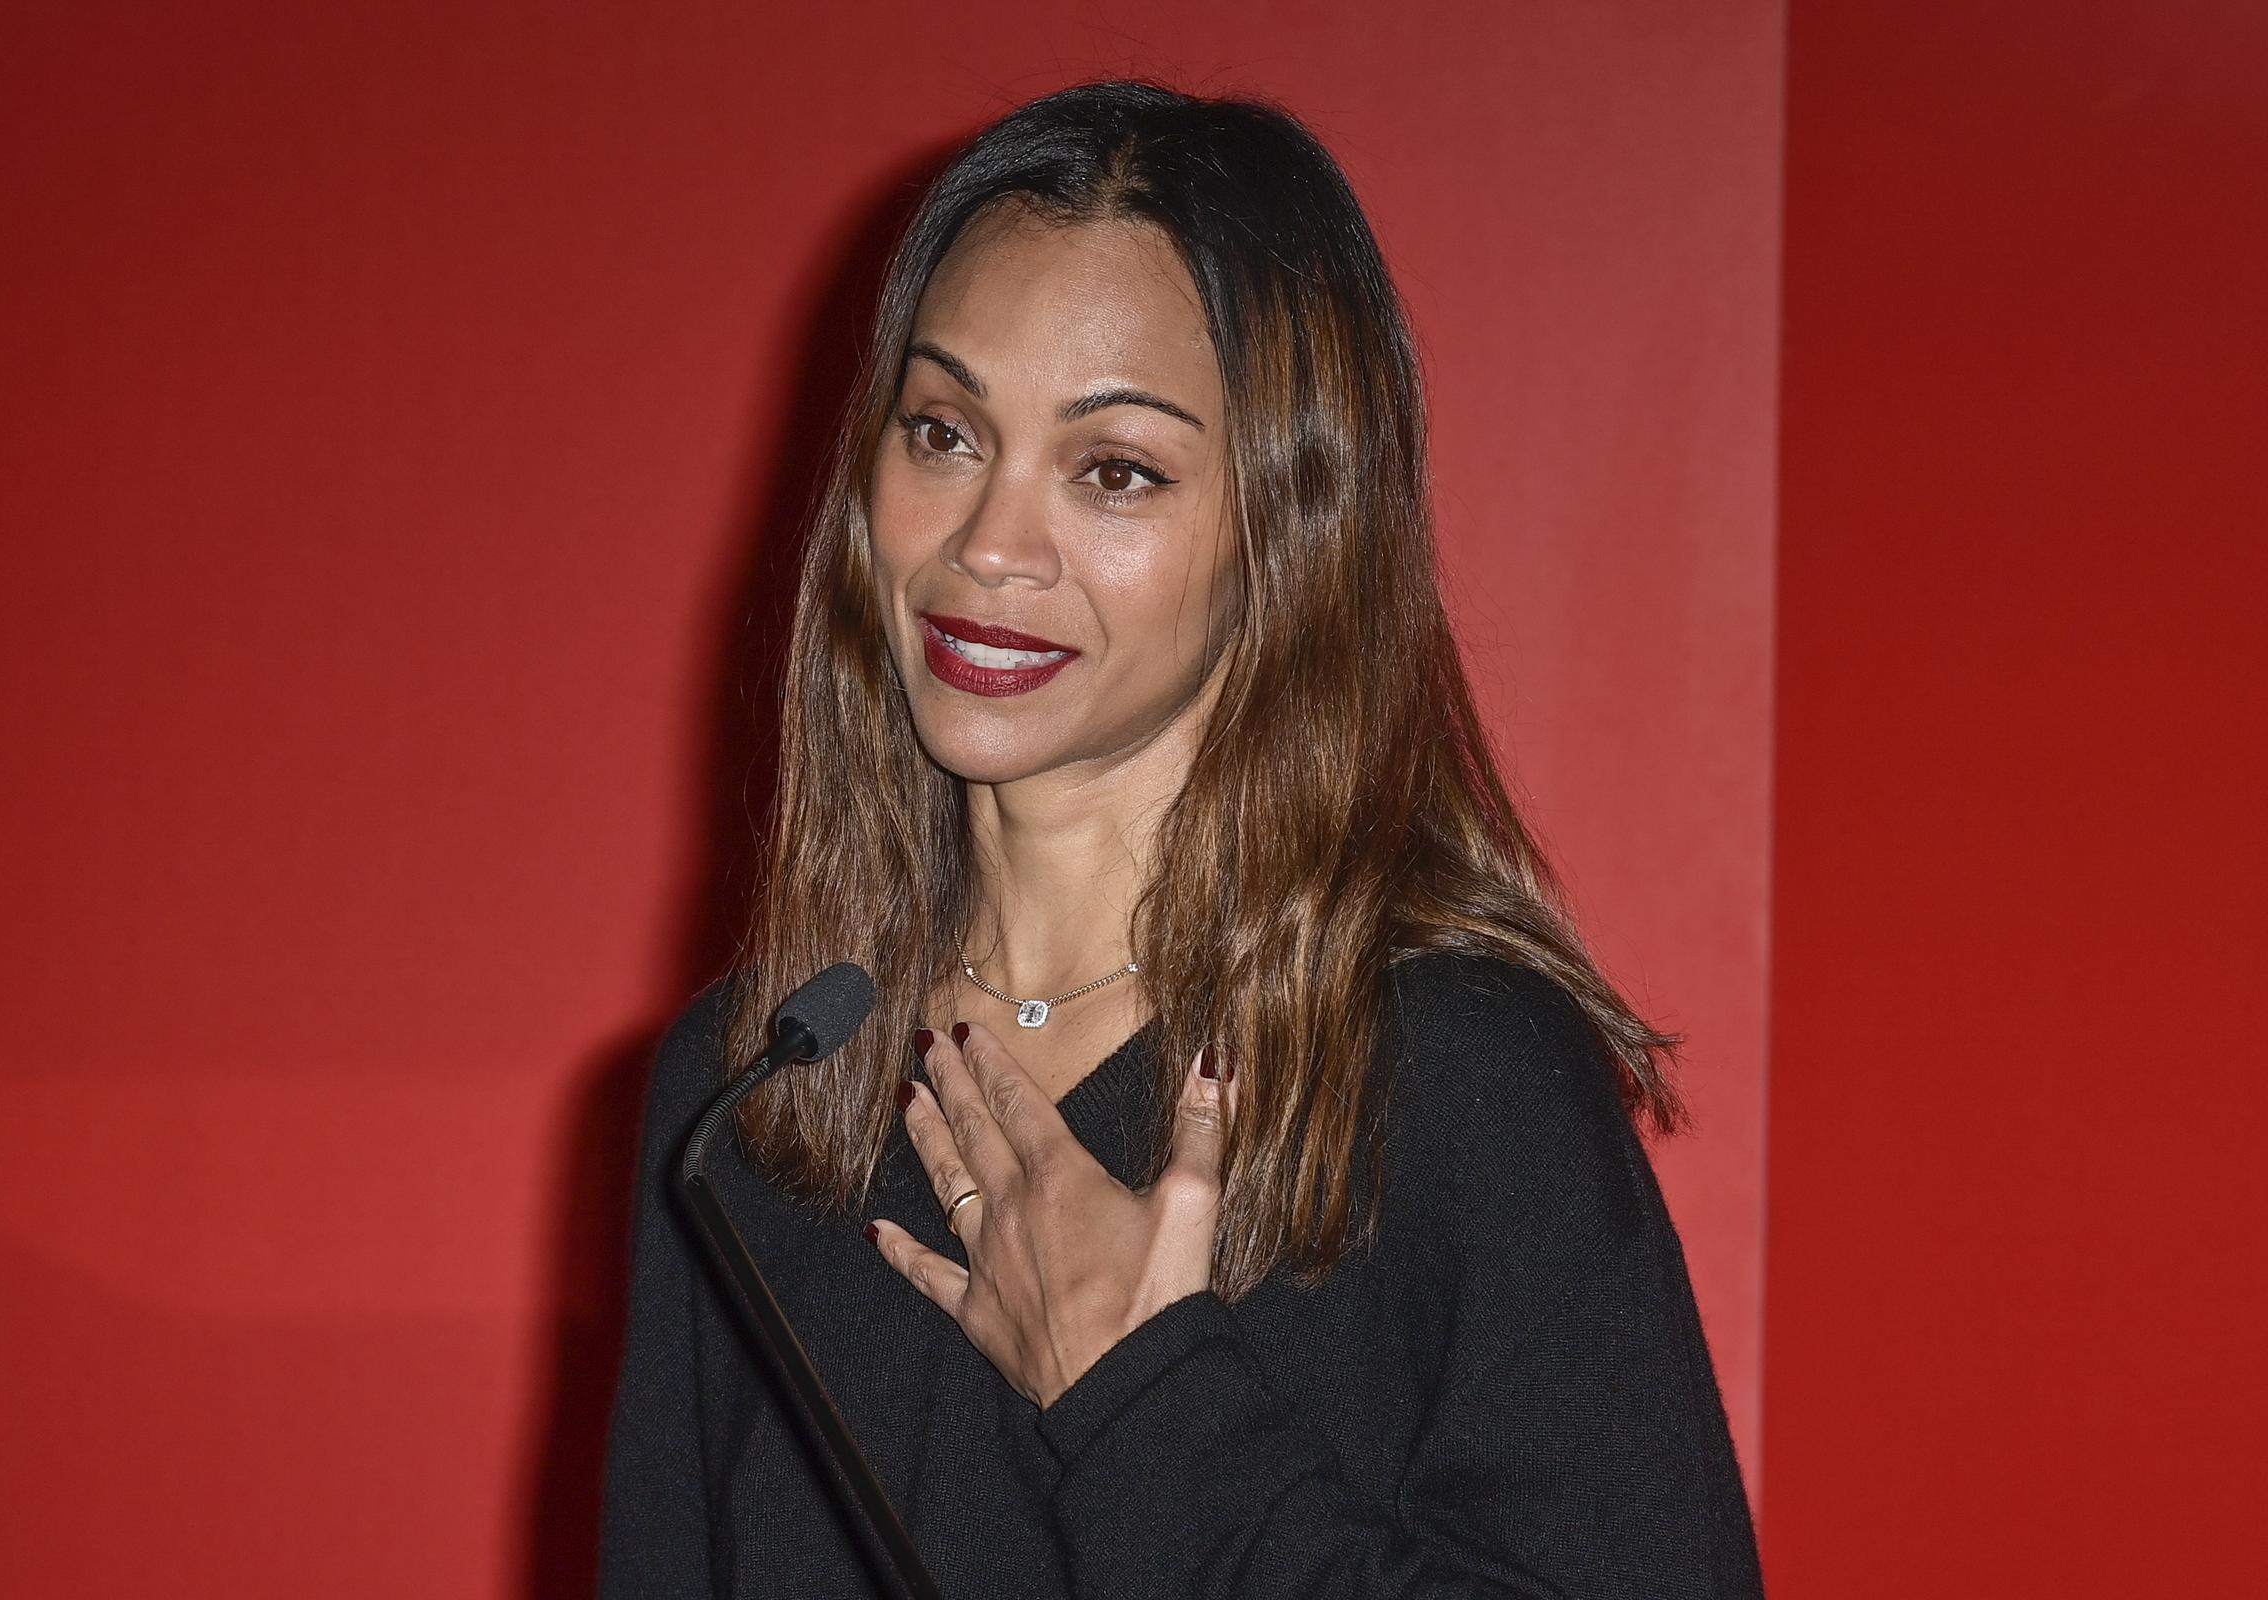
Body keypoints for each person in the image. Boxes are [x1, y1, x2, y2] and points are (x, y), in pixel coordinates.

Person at [598, 78, 1765, 1599]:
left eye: (1117, 471)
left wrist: (1146, 1401)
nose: (987, 546)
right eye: (944, 432)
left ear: (1292, 525)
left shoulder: (1456, 1078)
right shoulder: (753, 1092)